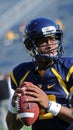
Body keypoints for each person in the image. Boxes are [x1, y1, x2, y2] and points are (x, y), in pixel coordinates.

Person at [6, 17, 73, 130]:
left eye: (53, 39)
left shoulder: (68, 68)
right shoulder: (21, 73)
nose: (50, 45)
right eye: (44, 41)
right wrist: (13, 105)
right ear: (31, 46)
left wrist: (49, 104)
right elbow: (12, 127)